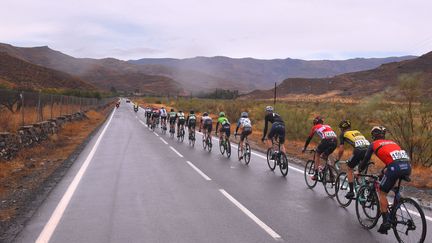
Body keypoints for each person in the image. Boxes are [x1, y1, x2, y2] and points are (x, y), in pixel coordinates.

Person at [358, 126, 411, 235]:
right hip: (407, 166)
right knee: (389, 179)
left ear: (373, 136)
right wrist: (383, 172)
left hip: (395, 167)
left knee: (382, 192)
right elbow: (393, 159)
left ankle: (386, 221)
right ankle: (397, 202)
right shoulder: (392, 142)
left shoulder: (373, 145)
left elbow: (365, 160)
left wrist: (358, 171)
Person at [335, 120, 370, 199]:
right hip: (368, 150)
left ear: (341, 129)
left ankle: (351, 192)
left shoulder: (343, 134)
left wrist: (338, 159)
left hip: (359, 150)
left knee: (349, 168)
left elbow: (341, 150)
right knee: (361, 170)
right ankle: (365, 186)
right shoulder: (357, 131)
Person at [302, 116, 337, 180]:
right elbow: (327, 135)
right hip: (335, 141)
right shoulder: (328, 126)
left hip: (326, 140)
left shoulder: (315, 127)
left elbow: (309, 139)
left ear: (315, 122)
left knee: (317, 154)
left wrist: (304, 147)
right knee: (325, 156)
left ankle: (316, 175)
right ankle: (331, 175)